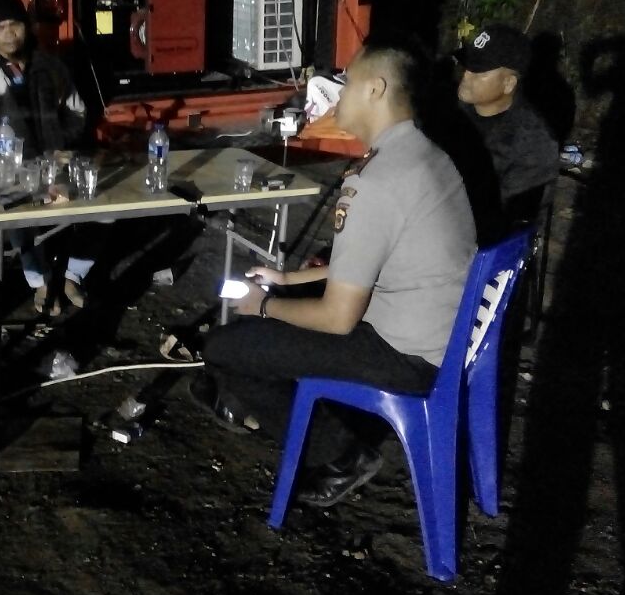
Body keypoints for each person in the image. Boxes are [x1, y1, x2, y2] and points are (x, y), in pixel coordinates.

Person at [194, 40, 476, 508]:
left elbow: (338, 319)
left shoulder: (378, 181)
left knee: (226, 349)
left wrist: (265, 305)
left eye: (346, 82)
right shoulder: (425, 154)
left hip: (406, 355)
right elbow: (376, 261)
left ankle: (342, 456)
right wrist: (286, 282)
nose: (337, 93)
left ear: (375, 89)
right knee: (269, 324)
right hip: (436, 334)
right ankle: (308, 417)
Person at [0, 0, 92, 314]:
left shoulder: (51, 68)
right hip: (6, 172)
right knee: (14, 215)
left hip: (53, 167)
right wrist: (0, 150)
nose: (9, 34)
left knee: (106, 208)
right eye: (0, 28)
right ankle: (40, 281)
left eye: (15, 24)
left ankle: (73, 274)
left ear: (27, 26)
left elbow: (77, 113)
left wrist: (61, 145)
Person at [455, 25, 559, 231]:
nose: (466, 76)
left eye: (479, 72)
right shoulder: (447, 110)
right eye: (467, 67)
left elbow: (506, 221)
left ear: (508, 83)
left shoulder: (533, 145)